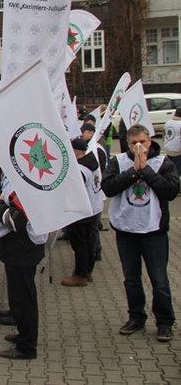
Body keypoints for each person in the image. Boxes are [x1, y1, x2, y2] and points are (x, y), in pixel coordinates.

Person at [101, 124, 180, 342]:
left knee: (159, 280)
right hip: (126, 230)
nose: (138, 146)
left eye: (142, 142)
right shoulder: (118, 162)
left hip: (153, 231)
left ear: (150, 140)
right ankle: (136, 316)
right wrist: (133, 171)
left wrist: (145, 169)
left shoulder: (163, 163)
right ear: (126, 143)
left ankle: (165, 322)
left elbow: (170, 191)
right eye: (133, 143)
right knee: (131, 279)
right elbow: (108, 187)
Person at [0, 180, 48, 360]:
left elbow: (16, 221)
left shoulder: (27, 185)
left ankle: (27, 346)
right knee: (19, 297)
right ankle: (24, 335)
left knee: (24, 299)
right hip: (20, 250)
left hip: (22, 250)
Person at [62, 138, 103, 287]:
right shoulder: (92, 164)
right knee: (89, 241)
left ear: (77, 152)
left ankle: (81, 274)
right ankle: (87, 270)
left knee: (79, 244)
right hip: (93, 209)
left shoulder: (80, 169)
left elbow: (72, 190)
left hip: (80, 211)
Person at [163, 108, 181, 175]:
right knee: (176, 172)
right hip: (178, 151)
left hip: (168, 149)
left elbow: (164, 135)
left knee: (170, 169)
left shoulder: (168, 122)